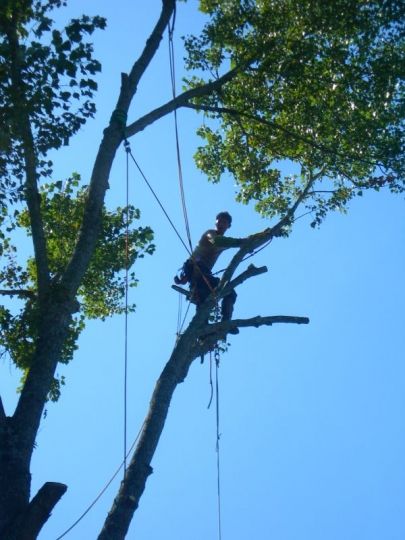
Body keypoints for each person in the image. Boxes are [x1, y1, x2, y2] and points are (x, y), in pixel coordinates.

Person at [174, 212, 243, 330]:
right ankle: (203, 330)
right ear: (215, 222)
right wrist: (242, 242)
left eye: (224, 222)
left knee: (230, 293)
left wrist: (251, 241)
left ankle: (224, 323)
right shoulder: (210, 234)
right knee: (203, 295)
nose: (221, 224)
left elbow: (227, 242)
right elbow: (217, 241)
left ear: (228, 226)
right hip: (195, 269)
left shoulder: (225, 241)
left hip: (205, 273)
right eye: (219, 221)